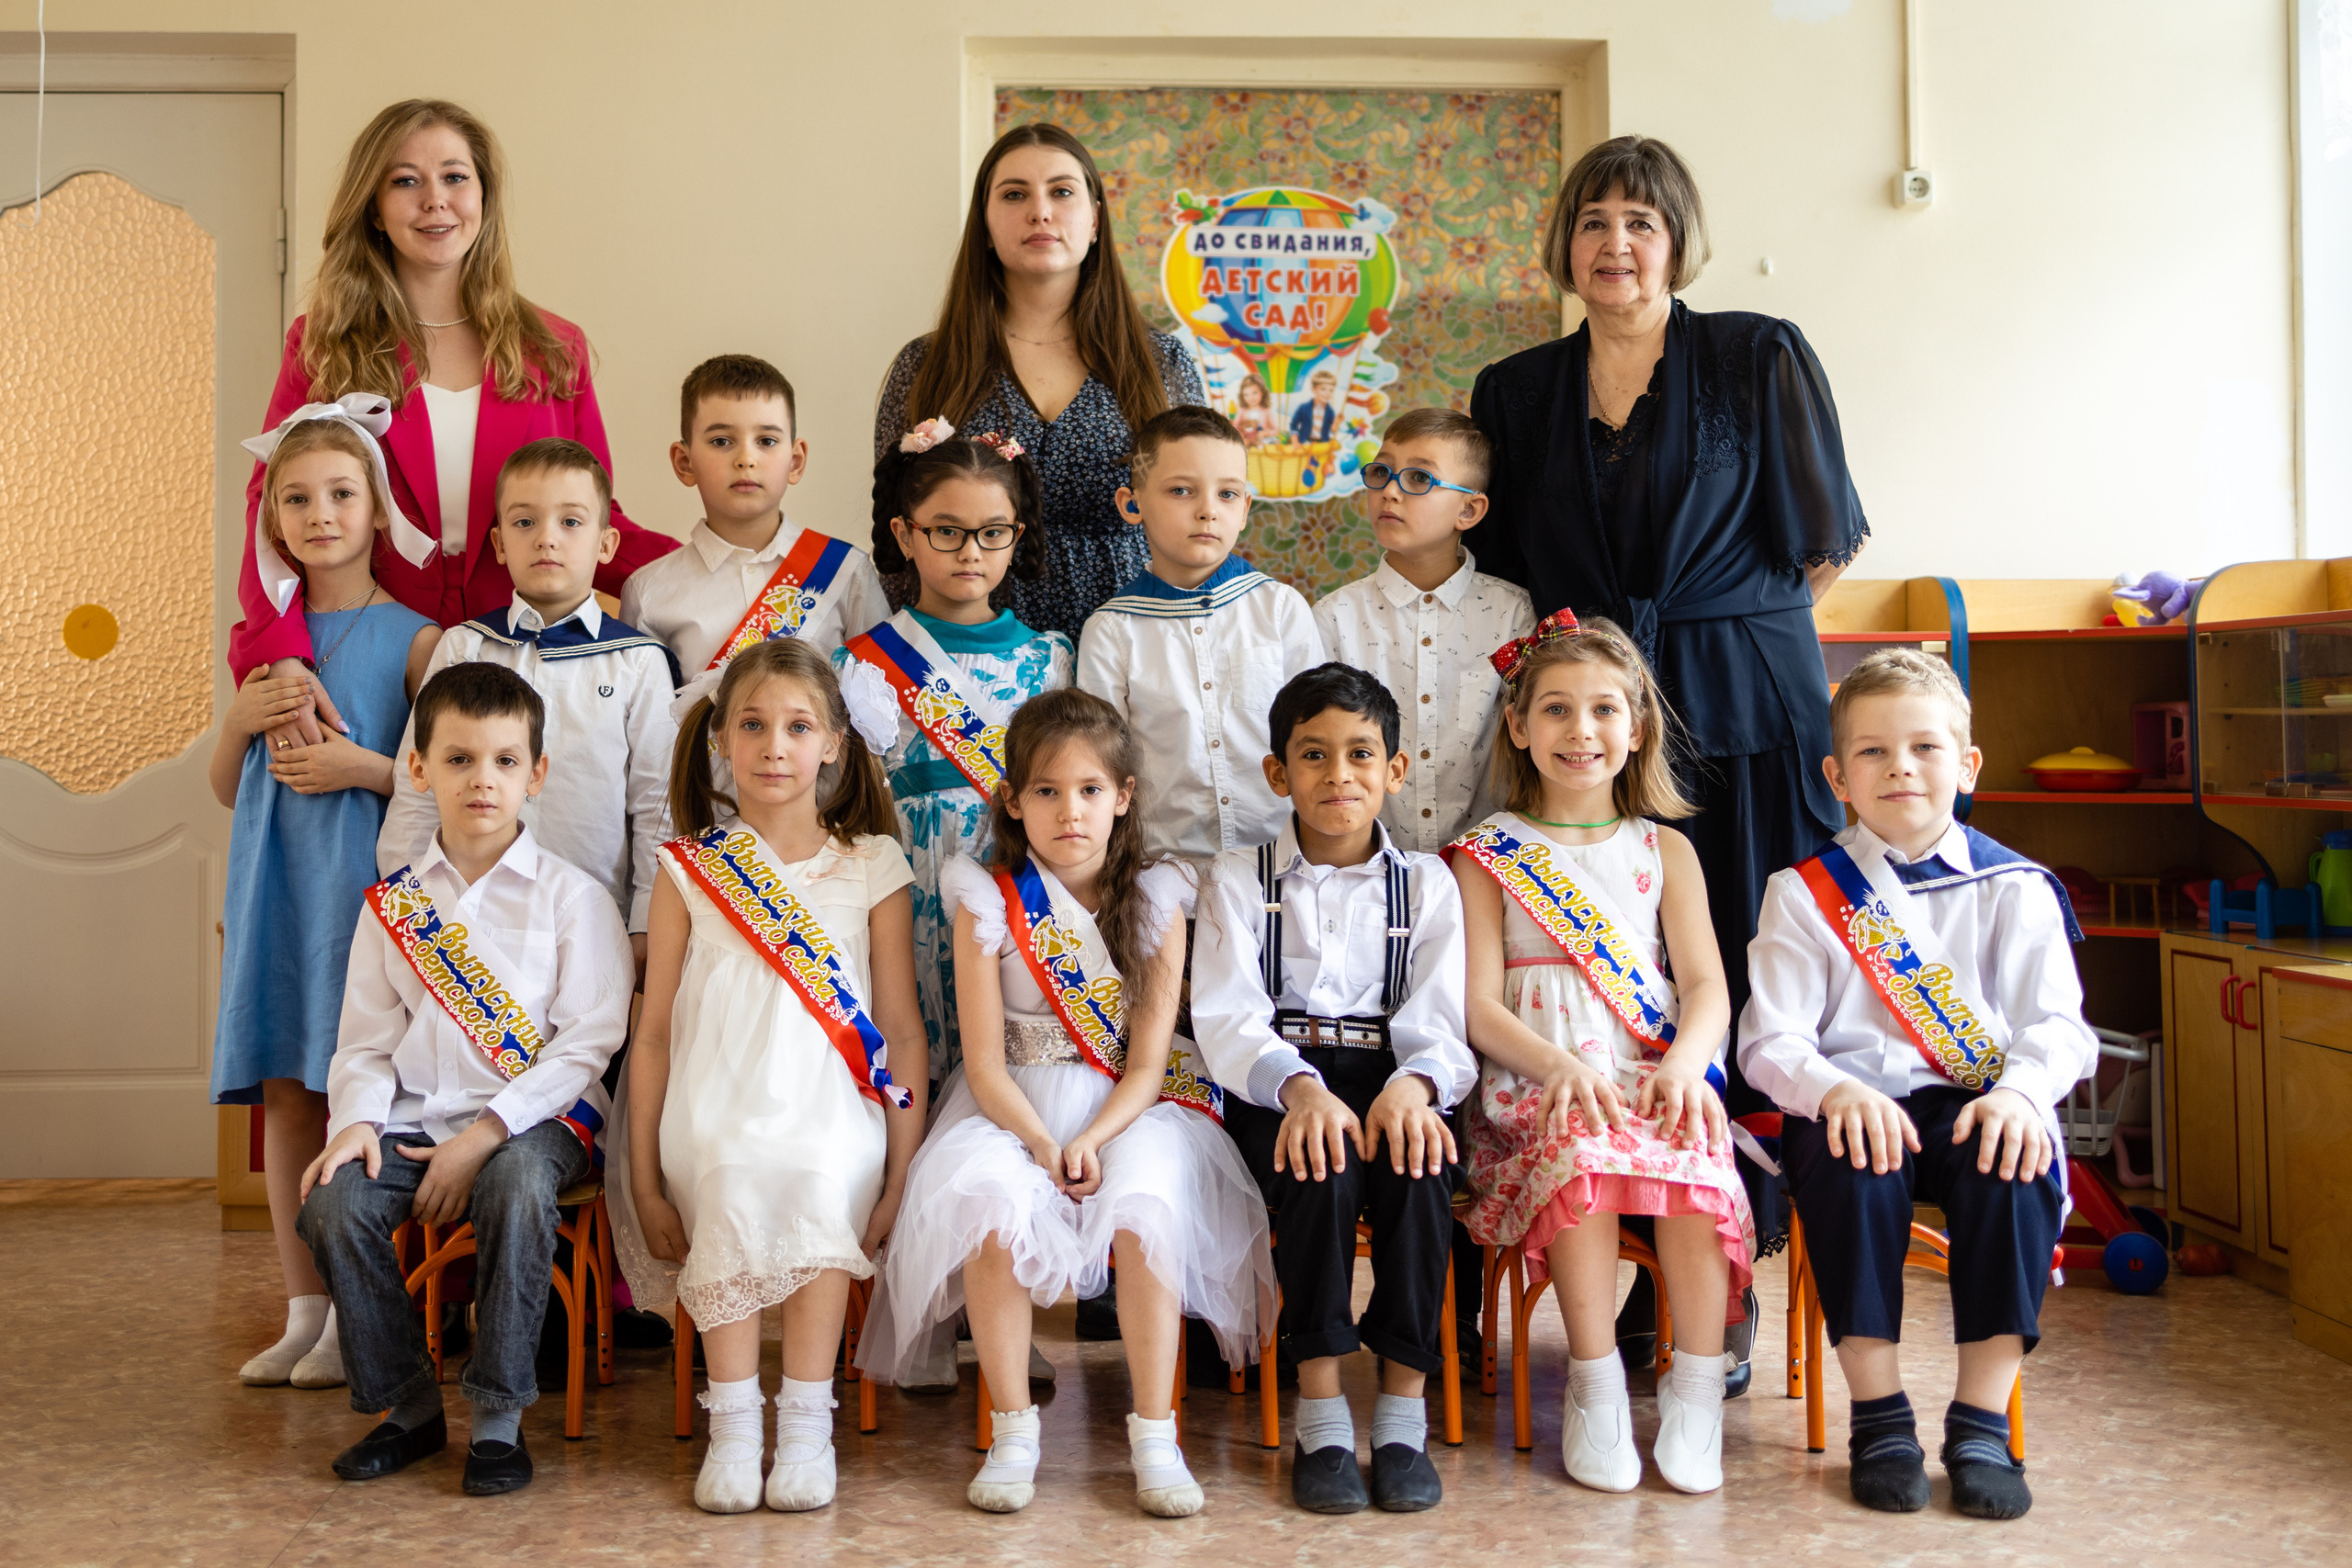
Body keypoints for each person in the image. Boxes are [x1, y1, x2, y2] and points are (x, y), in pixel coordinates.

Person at [1466, 130, 1869, 1365]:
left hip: (1744, 704)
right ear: (1564, 246)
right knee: (1611, 981)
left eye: (1642, 221)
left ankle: (1726, 1279)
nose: (1617, 244)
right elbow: (1512, 568)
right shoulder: (1516, 390)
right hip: (1591, 719)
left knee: (1746, 974)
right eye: (1594, 221)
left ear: (1678, 240)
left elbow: (1821, 545)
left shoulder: (1758, 353)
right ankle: (1625, 1257)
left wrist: (1710, 628)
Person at [857, 689, 1272, 1517]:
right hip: (1012, 1106)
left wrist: (1091, 1138)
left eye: (1089, 790)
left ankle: (1156, 1434)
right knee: (988, 1199)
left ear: (1122, 795)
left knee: (1147, 1200)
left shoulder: (1158, 893)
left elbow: (1149, 1065)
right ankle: (1013, 1429)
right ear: (1013, 800)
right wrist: (1046, 1145)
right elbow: (981, 1061)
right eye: (1046, 791)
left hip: (1132, 1107)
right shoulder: (986, 891)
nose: (1069, 811)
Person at [1738, 649, 2095, 1520]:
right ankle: (1881, 1415)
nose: (1901, 765)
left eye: (1926, 747)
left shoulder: (2015, 886)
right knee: (1851, 1167)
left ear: (1966, 765)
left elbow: (2057, 1028)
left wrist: (2017, 1094)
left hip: (1976, 1101)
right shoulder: (1803, 892)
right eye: (1872, 751)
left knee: (2010, 1165)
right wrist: (1829, 1092)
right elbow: (1768, 1040)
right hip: (1850, 1102)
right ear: (1837, 776)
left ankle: (1981, 1420)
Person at [232, 98, 673, 751]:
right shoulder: (321, 344)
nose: (434, 200)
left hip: (527, 661)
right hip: (367, 663)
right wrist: (285, 654)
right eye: (405, 181)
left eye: (455, 177)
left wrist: (713, 579)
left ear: (484, 198)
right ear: (374, 210)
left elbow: (598, 519)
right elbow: (269, 512)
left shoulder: (555, 348)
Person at [296, 661, 632, 1495]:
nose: (483, 779)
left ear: (536, 773)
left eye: (505, 760)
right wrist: (356, 1125)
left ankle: (496, 1419)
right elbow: (367, 1045)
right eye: (458, 759)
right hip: (417, 1123)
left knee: (515, 1184)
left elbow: (589, 1044)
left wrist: (485, 1137)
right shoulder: (397, 907)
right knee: (333, 1202)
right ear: (419, 769)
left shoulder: (573, 898)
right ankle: (407, 1408)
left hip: (539, 1126)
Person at [609, 637, 927, 1515]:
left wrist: (902, 1168)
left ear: (833, 743)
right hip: (711, 1099)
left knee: (822, 1165)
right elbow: (657, 1034)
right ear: (720, 738)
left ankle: (804, 1420)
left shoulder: (873, 864)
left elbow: (899, 1025)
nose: (775, 746)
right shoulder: (687, 869)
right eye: (752, 725)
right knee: (727, 1161)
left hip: (836, 1102)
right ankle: (735, 1422)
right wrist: (641, 1175)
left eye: (797, 726)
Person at [1449, 612, 1752, 1495]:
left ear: (1637, 726)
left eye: (1604, 710)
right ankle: (1596, 1385)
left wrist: (1686, 1067)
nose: (1581, 731)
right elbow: (1476, 1005)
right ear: (1518, 725)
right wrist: (1559, 1067)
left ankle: (1693, 1391)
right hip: (1537, 1086)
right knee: (1583, 1149)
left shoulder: (1669, 850)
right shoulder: (1480, 856)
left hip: (1654, 1075)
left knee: (1693, 1161)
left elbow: (1705, 989)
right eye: (1556, 709)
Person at [1192, 664, 1474, 1516]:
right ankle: (1320, 1411)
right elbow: (1228, 1017)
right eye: (1313, 755)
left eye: (1360, 754)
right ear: (1279, 773)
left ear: (1395, 769)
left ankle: (1398, 1414)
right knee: (1316, 1167)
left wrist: (1418, 1085)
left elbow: (1442, 1015)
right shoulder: (1239, 878)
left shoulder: (1426, 883)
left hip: (1393, 1077)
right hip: (1278, 1085)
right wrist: (1300, 1089)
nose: (1338, 775)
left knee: (1421, 1174)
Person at [211, 400, 438, 1391]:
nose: (319, 514)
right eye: (296, 499)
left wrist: (363, 764)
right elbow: (229, 786)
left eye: (342, 494)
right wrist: (236, 721)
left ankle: (361, 1307)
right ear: (272, 522)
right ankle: (303, 1309)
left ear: (379, 509)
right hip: (274, 894)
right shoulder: (262, 650)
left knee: (359, 1090)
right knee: (285, 1094)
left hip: (360, 897)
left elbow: (448, 791)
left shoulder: (420, 641)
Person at [875, 123, 1207, 638]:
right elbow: (896, 546)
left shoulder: (1160, 362)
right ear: (983, 225)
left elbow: (1201, 516)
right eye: (1014, 194)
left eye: (1062, 191)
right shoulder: (926, 364)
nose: (1041, 211)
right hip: (970, 664)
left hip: (1137, 650)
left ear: (1095, 219)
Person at [377, 440, 677, 963]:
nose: (546, 539)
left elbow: (657, 803)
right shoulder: (464, 646)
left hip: (593, 926)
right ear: (498, 542)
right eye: (524, 522)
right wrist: (407, 900)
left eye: (571, 522)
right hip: (465, 924)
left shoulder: (638, 661)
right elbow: (416, 783)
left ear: (606, 544)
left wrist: (647, 919)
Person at [835, 425, 1069, 1087]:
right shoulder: (862, 663)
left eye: (992, 532)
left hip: (1014, 886)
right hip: (901, 888)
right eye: (947, 530)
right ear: (905, 534)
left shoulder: (1051, 658)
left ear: (1016, 536)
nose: (971, 551)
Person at [1075, 406, 1325, 864]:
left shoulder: (1281, 609)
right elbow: (1101, 764)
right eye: (1181, 491)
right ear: (1133, 504)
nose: (1208, 510)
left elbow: (1319, 735)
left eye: (1228, 494)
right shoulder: (1111, 630)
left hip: (1282, 866)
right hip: (1163, 872)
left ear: (1245, 508)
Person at [1314, 407, 1532, 853]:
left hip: (1494, 868)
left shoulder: (1513, 614)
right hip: (1368, 868)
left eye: (1418, 479)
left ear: (1469, 510)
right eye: (1382, 472)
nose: (1390, 492)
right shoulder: (1333, 618)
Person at [620, 354, 891, 676]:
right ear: (684, 462)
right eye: (721, 441)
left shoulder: (847, 572)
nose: (746, 458)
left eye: (766, 441)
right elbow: (643, 718)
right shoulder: (649, 592)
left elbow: (883, 703)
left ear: (795, 461)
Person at [1288, 367, 1342, 445]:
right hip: (1305, 442)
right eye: (1323, 389)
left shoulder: (1330, 411)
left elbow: (1331, 431)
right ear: (1313, 389)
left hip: (1322, 443)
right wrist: (1295, 440)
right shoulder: (1304, 407)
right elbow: (1294, 425)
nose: (1328, 393)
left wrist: (1336, 422)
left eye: (1331, 390)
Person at [1233, 374, 1278, 446]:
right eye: (1246, 395)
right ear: (1242, 396)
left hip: (1263, 442)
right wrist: (1242, 435)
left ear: (1262, 393)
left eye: (1255, 393)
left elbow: (1275, 430)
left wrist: (1265, 433)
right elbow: (1235, 427)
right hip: (1247, 441)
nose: (1251, 398)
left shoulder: (1266, 411)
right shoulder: (1242, 411)